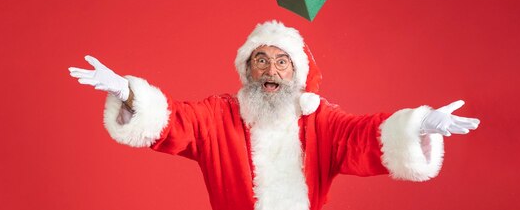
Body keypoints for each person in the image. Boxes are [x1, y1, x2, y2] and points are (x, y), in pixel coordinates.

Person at [69, 20, 479, 210]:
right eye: (260, 60)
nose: (270, 70)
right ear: (247, 72)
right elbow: (174, 121)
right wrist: (127, 92)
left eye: (282, 62)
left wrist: (419, 124)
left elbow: (364, 136)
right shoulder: (220, 115)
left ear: (297, 74)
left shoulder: (322, 122)